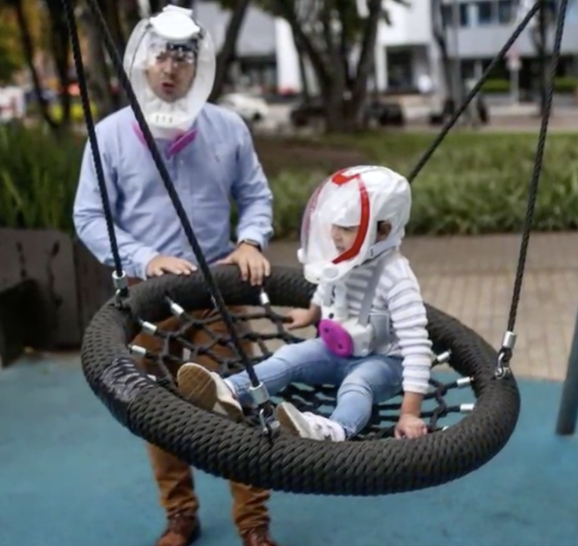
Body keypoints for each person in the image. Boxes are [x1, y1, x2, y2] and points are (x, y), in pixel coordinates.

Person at [71, 6, 279, 546]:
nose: (170, 68)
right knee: (157, 411)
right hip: (148, 301)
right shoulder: (109, 135)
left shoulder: (227, 128)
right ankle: (180, 514)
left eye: (183, 57)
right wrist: (144, 259)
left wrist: (250, 240)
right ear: (142, 60)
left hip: (217, 293)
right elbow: (89, 216)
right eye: (161, 55)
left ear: (198, 65)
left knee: (237, 406)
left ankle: (254, 523)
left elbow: (256, 196)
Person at [176, 165, 433, 442]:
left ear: (382, 231)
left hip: (383, 362)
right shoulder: (346, 256)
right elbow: (328, 282)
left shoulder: (397, 278)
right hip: (336, 351)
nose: (335, 235)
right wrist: (312, 312)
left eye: (347, 228)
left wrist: (410, 412)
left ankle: (334, 430)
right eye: (334, 225)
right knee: (289, 357)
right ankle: (229, 392)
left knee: (357, 385)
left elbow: (417, 348)